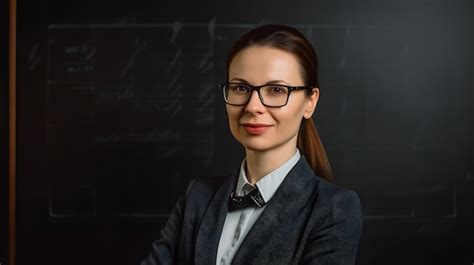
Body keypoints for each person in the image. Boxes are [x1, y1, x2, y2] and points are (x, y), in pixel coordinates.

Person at [141, 24, 362, 265]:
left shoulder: (334, 208)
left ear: (310, 102)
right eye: (240, 88)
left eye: (276, 90)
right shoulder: (198, 196)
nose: (252, 106)